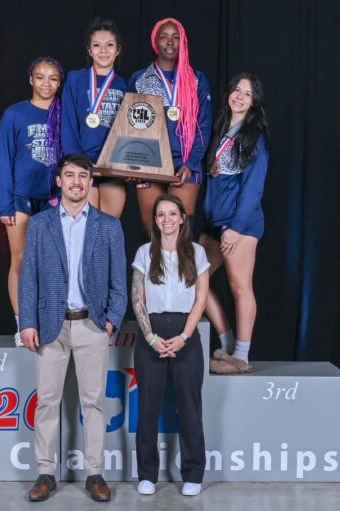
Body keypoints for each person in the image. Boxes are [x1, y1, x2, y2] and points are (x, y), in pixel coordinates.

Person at [18, 153, 127, 502]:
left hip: (92, 325)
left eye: (83, 176)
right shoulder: (39, 225)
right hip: (51, 326)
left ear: (90, 182)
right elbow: (28, 279)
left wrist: (111, 320)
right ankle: (45, 473)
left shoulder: (108, 226)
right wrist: (28, 322)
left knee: (93, 403)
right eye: (70, 175)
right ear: (60, 181)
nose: (77, 182)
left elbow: (119, 282)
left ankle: (95, 473)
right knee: (47, 402)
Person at [130, 194, 210, 496]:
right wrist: (151, 338)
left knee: (189, 408)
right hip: (151, 332)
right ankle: (147, 474)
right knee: (147, 409)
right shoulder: (143, 253)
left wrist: (184, 337)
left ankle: (193, 473)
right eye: (160, 214)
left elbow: (201, 299)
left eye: (172, 214)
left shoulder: (197, 253)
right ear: (155, 221)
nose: (166, 220)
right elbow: (137, 297)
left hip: (185, 333)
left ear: (181, 218)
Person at [199, 73, 269, 372]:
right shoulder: (221, 131)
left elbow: (254, 188)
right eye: (236, 90)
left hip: (241, 224)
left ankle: (242, 355)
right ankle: (227, 343)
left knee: (239, 286)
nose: (239, 97)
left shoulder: (254, 137)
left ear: (254, 103)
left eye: (248, 94)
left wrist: (236, 228)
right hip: (215, 224)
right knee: (193, 279)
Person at [0, 57, 64, 345]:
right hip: (21, 197)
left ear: (60, 83)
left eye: (53, 78)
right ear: (30, 80)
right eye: (40, 77)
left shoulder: (64, 114)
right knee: (20, 260)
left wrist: (64, 196)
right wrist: (4, 204)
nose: (46, 83)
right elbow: (3, 158)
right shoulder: (14, 114)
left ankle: (49, 321)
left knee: (51, 263)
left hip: (52, 198)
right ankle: (23, 323)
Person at [129, 18, 212, 235]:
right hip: (150, 163)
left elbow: (204, 127)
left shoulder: (196, 80)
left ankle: (181, 271)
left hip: (184, 164)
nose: (170, 42)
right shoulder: (139, 79)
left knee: (181, 233)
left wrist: (192, 163)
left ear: (183, 41)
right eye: (164, 36)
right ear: (155, 41)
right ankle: (156, 271)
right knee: (153, 232)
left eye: (176, 37)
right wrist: (133, 163)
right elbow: (129, 125)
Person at [61, 17, 127, 218]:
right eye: (97, 45)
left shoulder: (125, 85)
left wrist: (128, 165)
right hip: (83, 165)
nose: (103, 51)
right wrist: (77, 163)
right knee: (84, 229)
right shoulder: (75, 79)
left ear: (118, 50)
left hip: (112, 167)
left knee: (108, 228)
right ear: (89, 50)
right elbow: (68, 122)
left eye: (109, 45)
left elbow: (130, 129)